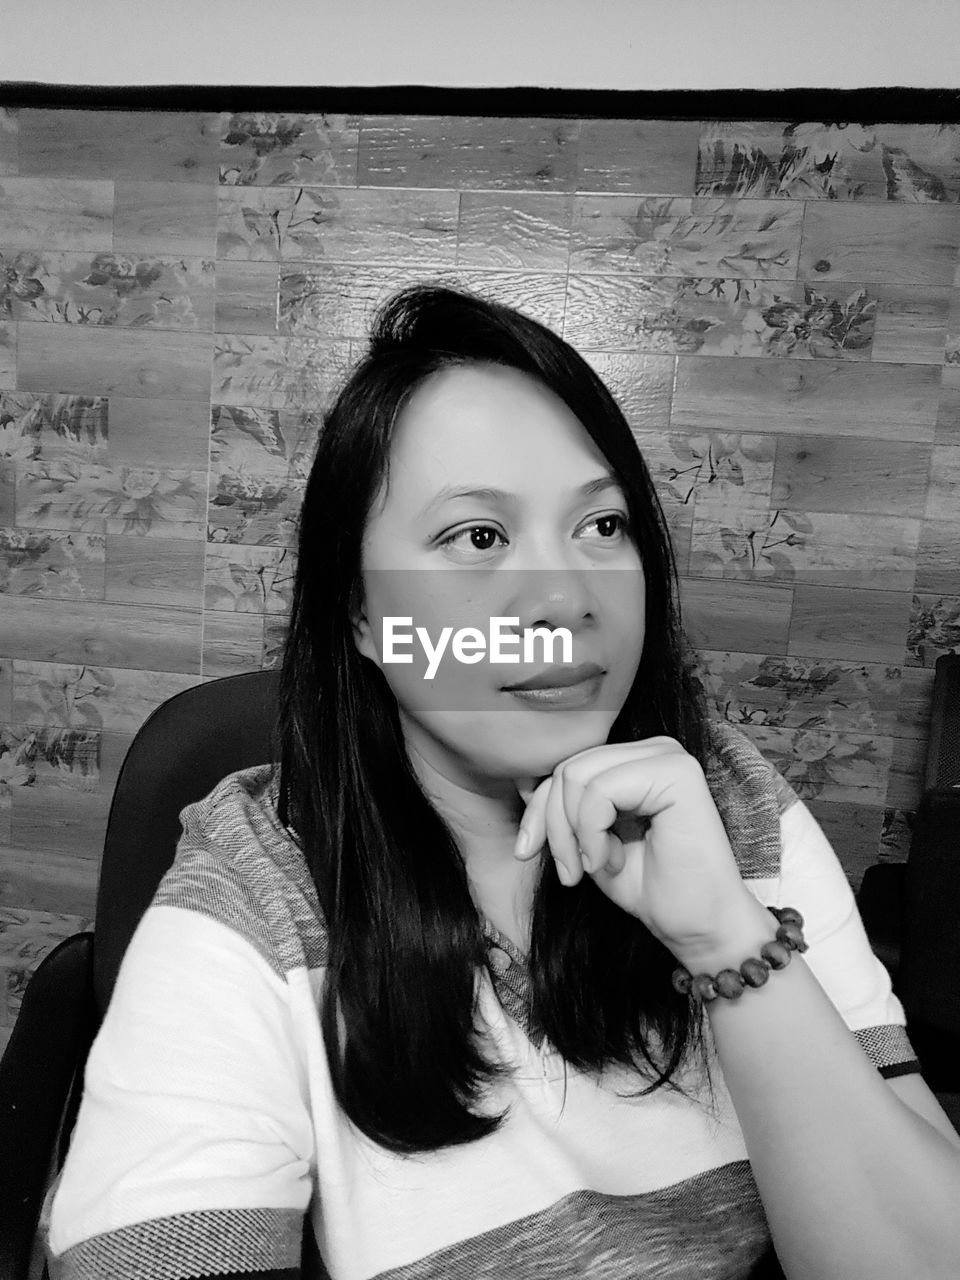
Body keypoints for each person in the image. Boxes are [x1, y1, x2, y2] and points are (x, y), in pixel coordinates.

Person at [43, 285, 960, 1280]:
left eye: (603, 526)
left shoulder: (735, 807)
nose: (568, 597)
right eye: (478, 537)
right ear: (360, 614)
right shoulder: (256, 896)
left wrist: (726, 938)